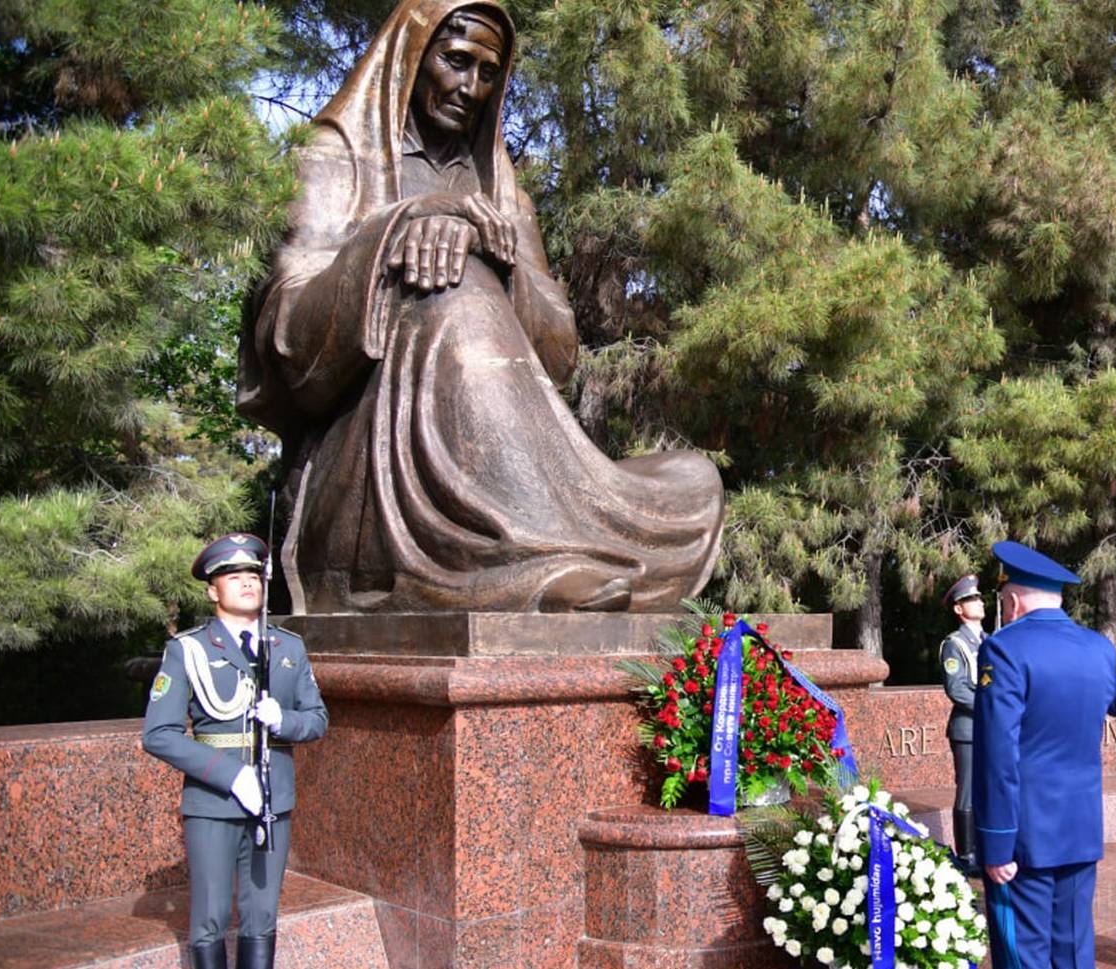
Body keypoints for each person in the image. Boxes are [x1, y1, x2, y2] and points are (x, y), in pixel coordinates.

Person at [238, 0, 724, 614]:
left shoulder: (500, 185)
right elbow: (288, 339)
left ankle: (552, 547)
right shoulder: (336, 156)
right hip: (371, 473)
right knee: (453, 287)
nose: (471, 87)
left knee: (691, 481)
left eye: (488, 72)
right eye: (455, 60)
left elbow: (558, 355)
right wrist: (401, 233)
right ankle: (541, 559)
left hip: (513, 447)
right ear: (412, 57)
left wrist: (497, 256)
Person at [142, 534, 329, 969]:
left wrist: (284, 719)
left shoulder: (287, 648)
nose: (247, 583)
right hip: (212, 802)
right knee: (209, 918)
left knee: (262, 917)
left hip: (272, 800)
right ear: (213, 591)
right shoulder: (189, 649)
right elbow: (159, 734)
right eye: (233, 576)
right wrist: (231, 775)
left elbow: (317, 719)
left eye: (253, 576)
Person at [973, 541, 1116, 969]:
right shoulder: (1099, 649)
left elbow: (997, 755)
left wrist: (995, 843)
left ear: (1012, 600)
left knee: (1023, 953)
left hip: (1024, 834)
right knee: (1074, 950)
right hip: (1080, 829)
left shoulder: (1003, 649)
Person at [937, 573, 985, 873]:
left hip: (989, 729)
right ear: (958, 608)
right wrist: (993, 709)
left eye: (979, 598)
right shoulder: (954, 644)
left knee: (988, 790)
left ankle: (986, 847)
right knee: (968, 791)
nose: (979, 602)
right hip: (968, 729)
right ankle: (967, 855)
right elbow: (957, 688)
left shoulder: (990, 641)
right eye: (972, 599)